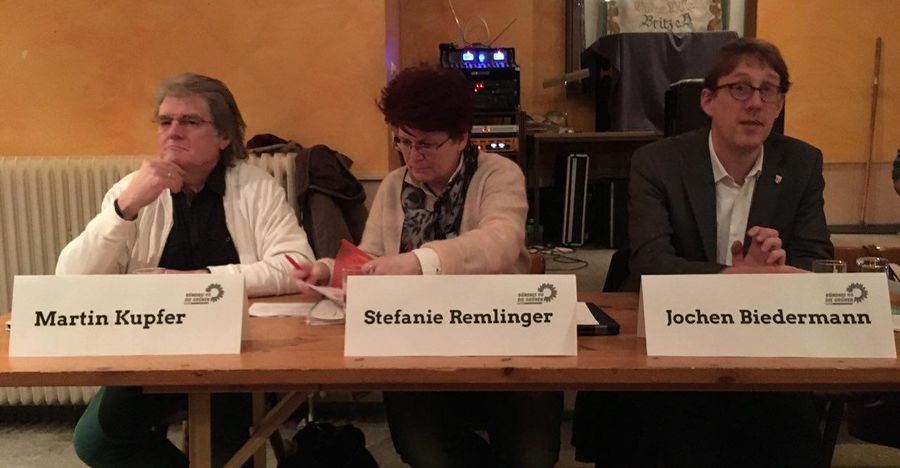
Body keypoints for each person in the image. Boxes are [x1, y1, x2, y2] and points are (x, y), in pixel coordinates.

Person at [574, 38, 833, 467]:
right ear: (708, 100)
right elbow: (650, 263)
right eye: (740, 88)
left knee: (790, 439)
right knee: (683, 438)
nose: (755, 103)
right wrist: (733, 279)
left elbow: (816, 260)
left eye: (768, 90)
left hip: (766, 339)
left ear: (780, 103)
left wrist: (778, 269)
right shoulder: (657, 163)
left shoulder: (802, 164)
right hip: (679, 337)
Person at [294, 66, 561, 468]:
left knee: (531, 455)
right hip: (418, 341)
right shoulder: (393, 185)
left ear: (462, 137)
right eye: (403, 141)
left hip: (501, 337)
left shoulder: (498, 174)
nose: (412, 155)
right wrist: (328, 271)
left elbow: (501, 242)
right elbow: (370, 259)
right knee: (426, 452)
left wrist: (420, 261)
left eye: (426, 144)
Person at [58, 73, 315, 467]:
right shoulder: (132, 190)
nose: (173, 132)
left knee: (226, 455)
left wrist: (200, 283)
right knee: (97, 442)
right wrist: (124, 210)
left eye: (190, 122)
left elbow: (295, 264)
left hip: (237, 353)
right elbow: (69, 279)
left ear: (224, 136)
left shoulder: (255, 187)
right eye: (165, 121)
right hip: (151, 351)